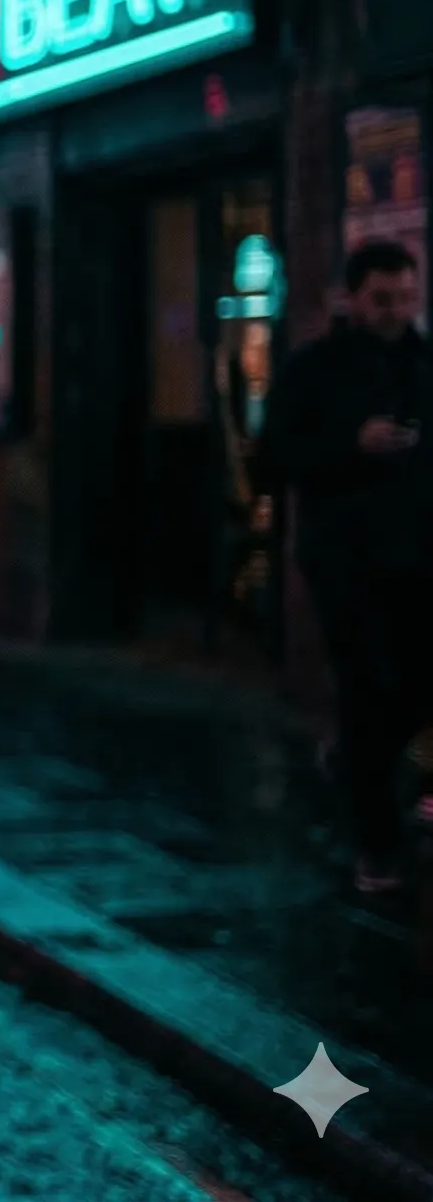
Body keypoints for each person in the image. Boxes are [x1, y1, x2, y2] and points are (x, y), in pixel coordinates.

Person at [261, 241, 433, 895]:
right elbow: (272, 460)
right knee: (369, 690)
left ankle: (353, 766)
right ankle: (378, 846)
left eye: (406, 297)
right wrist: (349, 447)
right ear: (353, 298)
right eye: (382, 299)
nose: (395, 310)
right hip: (347, 558)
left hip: (421, 557)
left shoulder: (425, 364)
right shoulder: (316, 369)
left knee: (415, 693)